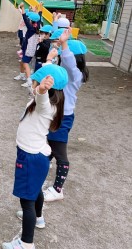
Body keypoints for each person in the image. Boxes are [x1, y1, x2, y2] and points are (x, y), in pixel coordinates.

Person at [2, 64, 68, 249]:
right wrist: (40, 89)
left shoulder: (46, 106)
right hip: (38, 155)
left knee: (26, 201)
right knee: (36, 190)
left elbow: (41, 100)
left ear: (49, 90)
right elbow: (40, 99)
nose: (33, 83)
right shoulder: (53, 105)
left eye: (35, 81)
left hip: (30, 157)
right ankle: (39, 218)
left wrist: (41, 90)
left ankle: (26, 243)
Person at [43, 28, 89, 202]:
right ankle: (44, 167)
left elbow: (68, 61)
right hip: (58, 115)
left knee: (61, 154)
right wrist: (56, 50)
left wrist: (64, 43)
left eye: (66, 53)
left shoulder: (74, 73)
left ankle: (57, 189)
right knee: (50, 144)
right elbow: (61, 64)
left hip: (62, 118)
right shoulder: (68, 69)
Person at [17, 2, 42, 88]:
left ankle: (29, 81)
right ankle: (23, 75)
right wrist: (40, 7)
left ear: (31, 21)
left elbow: (24, 17)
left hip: (28, 49)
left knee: (25, 63)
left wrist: (23, 7)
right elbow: (39, 16)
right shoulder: (37, 26)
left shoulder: (31, 28)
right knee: (22, 62)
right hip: (28, 48)